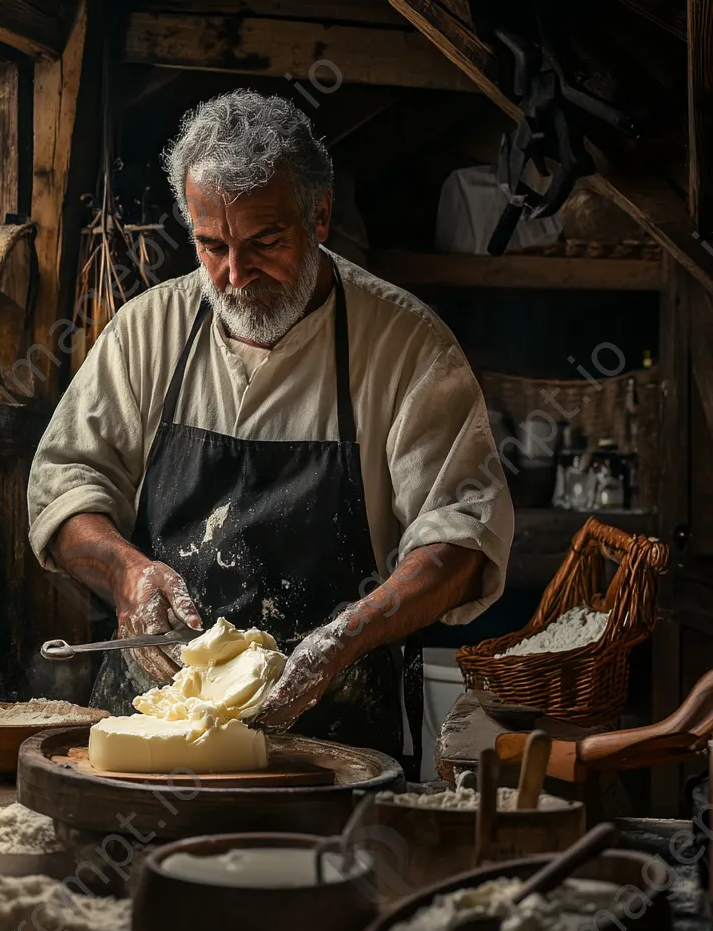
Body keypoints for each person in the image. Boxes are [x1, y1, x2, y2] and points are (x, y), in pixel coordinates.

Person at [27, 89, 514, 764]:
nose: (235, 273)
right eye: (211, 245)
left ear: (319, 215)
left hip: (334, 752)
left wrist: (340, 640)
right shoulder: (147, 332)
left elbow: (463, 536)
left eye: (263, 241)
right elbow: (63, 489)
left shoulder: (406, 346)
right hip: (154, 744)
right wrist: (125, 576)